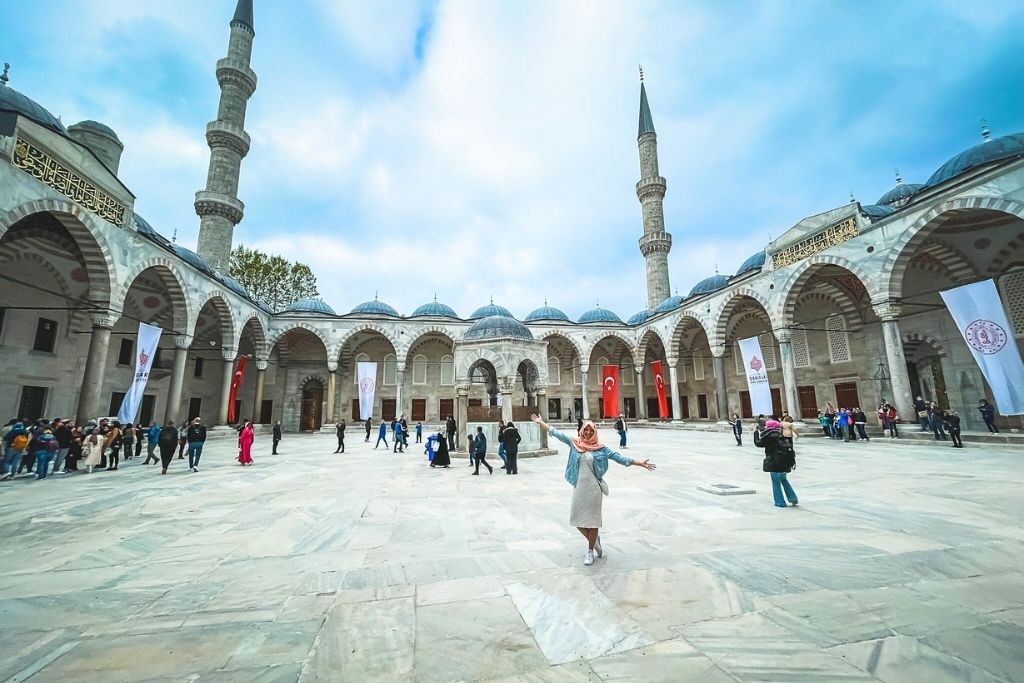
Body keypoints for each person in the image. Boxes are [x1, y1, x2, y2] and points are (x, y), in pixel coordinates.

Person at [531, 413, 655, 566]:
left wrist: (639, 463)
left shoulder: (601, 448)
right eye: (586, 430)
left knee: (593, 522)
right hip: (579, 488)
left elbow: (619, 458)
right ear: (582, 430)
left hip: (594, 490)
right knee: (577, 520)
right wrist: (541, 422)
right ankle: (595, 541)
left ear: (595, 431)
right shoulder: (575, 443)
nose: (588, 432)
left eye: (591, 430)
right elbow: (557, 433)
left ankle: (590, 551)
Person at [755, 418, 798, 508]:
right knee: (784, 479)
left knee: (775, 481)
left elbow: (758, 443)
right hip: (785, 462)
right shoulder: (782, 434)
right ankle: (793, 498)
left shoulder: (768, 436)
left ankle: (779, 502)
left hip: (774, 462)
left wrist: (756, 432)